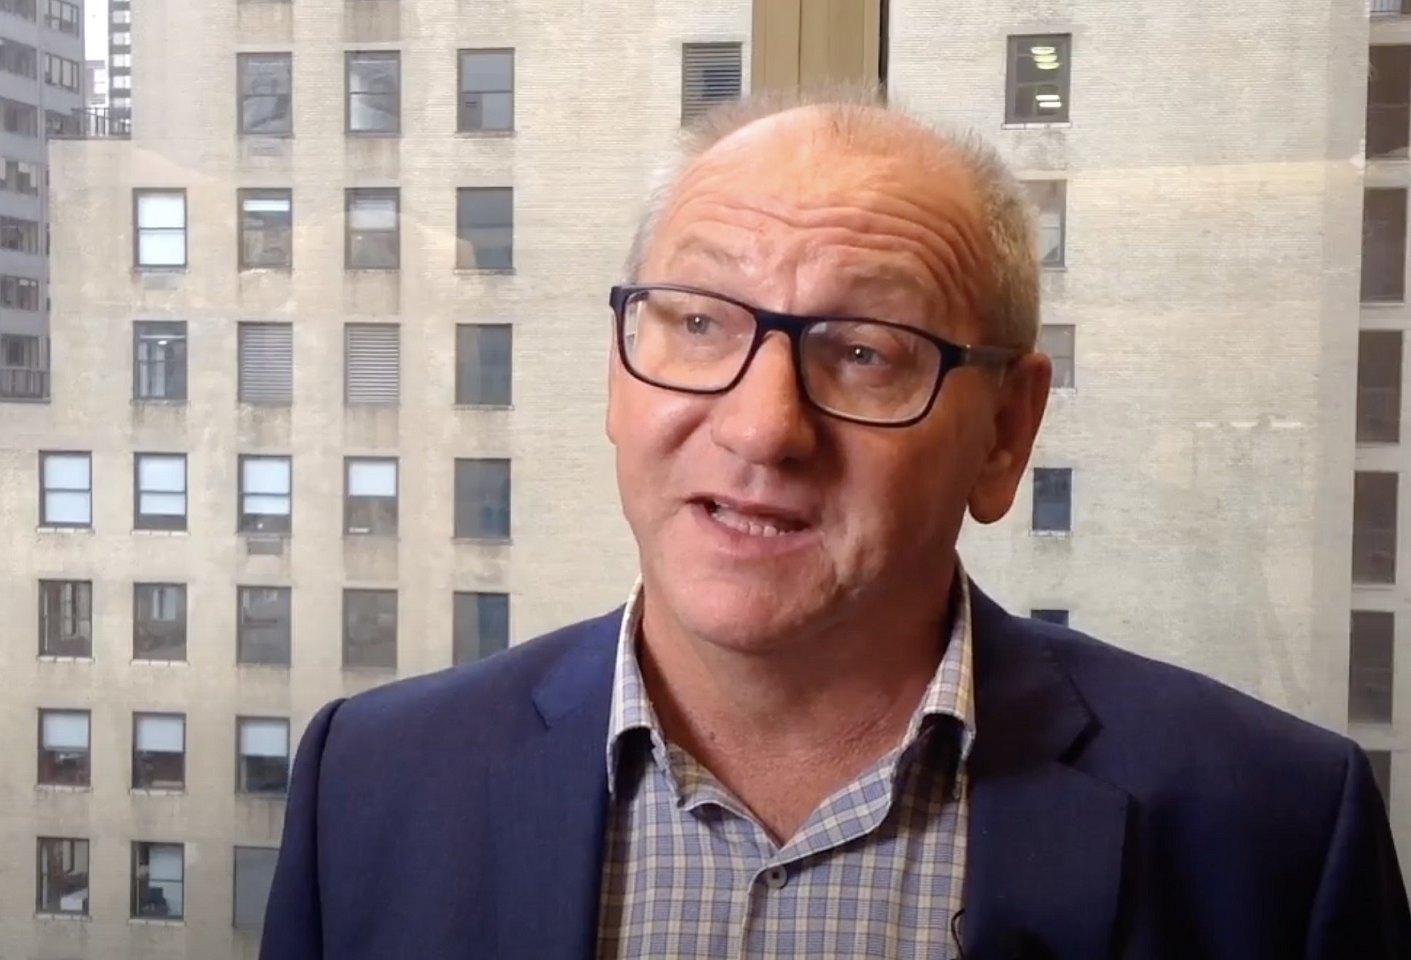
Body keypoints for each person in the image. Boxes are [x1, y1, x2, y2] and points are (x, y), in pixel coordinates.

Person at [259, 88, 1410, 960]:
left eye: (864, 351)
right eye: (699, 324)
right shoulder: (371, 783)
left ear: (1006, 434)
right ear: (616, 377)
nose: (764, 428)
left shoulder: (1273, 831)